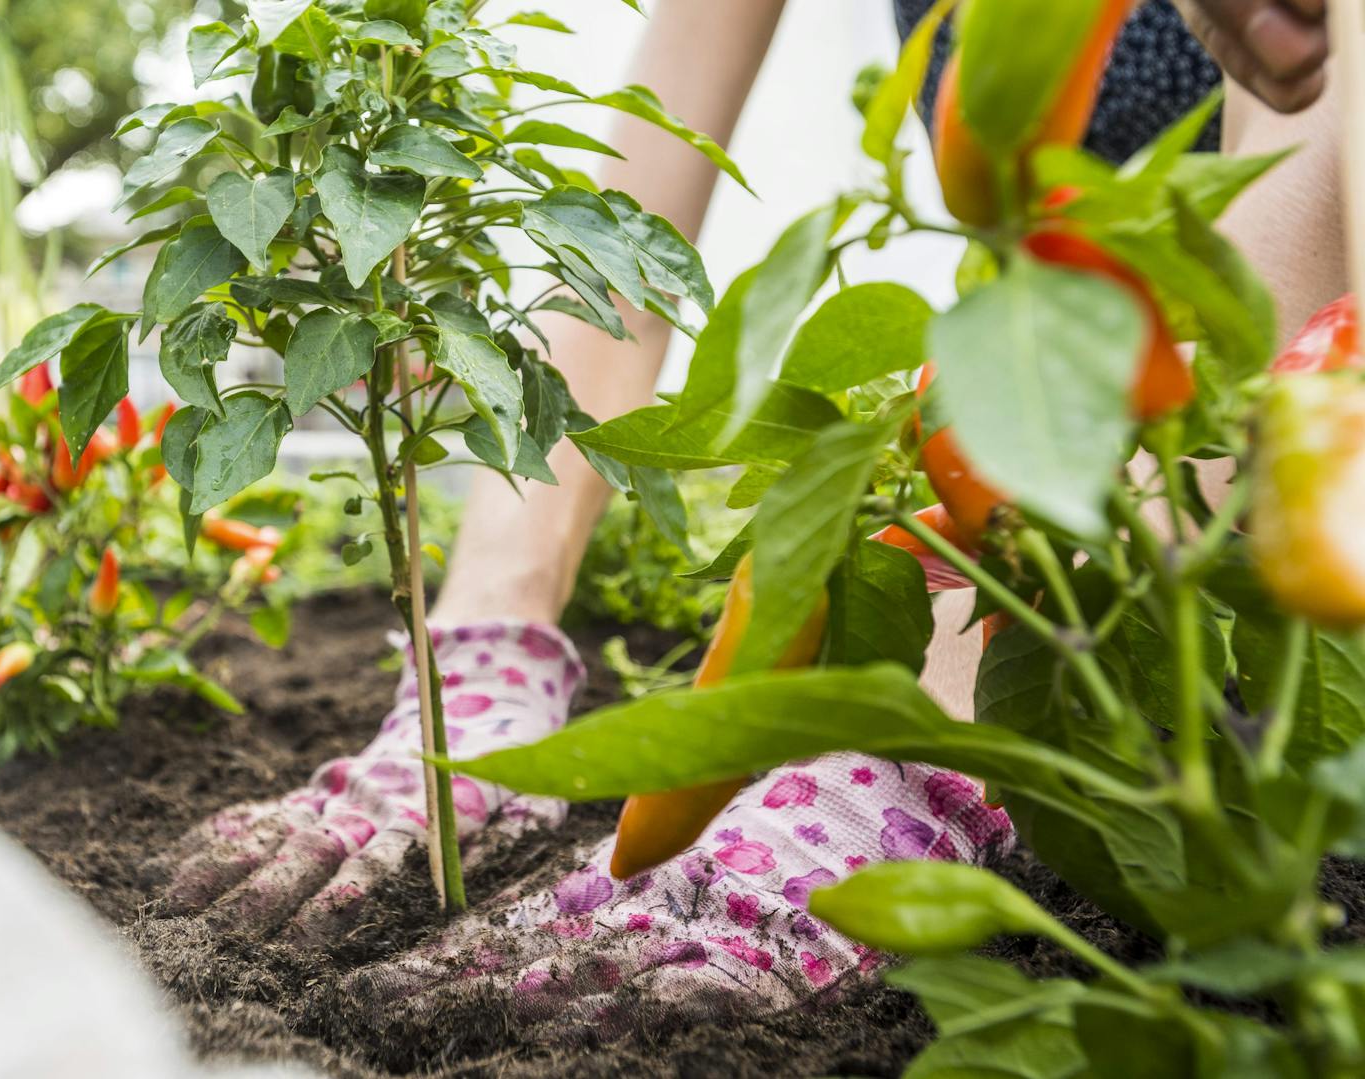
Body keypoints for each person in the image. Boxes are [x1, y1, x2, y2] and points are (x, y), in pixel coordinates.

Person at [153, 0, 1349, 1044]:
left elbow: (1252, 299)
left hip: (1266, 523)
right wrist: (484, 646)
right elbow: (620, 240)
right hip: (1050, 454)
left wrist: (924, 738)